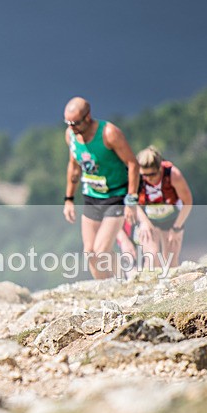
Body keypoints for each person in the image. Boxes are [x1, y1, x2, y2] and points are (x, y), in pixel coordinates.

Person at [62, 97, 140, 279]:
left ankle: (124, 283)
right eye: (68, 123)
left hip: (116, 196)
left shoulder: (109, 133)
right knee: (90, 253)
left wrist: (131, 199)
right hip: (91, 196)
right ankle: (106, 292)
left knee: (101, 250)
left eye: (75, 123)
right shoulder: (71, 135)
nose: (71, 127)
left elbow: (132, 163)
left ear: (87, 117)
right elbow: (74, 166)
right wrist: (68, 199)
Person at [133, 145, 193, 268]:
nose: (149, 179)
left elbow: (188, 202)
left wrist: (176, 228)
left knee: (171, 263)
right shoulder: (136, 176)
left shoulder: (173, 175)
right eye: (145, 175)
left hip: (173, 220)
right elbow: (131, 201)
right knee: (152, 258)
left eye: (153, 175)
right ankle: (149, 286)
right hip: (148, 219)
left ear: (160, 168)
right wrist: (143, 222)